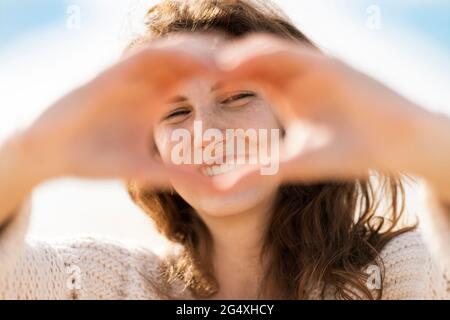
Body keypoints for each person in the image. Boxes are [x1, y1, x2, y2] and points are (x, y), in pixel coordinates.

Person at [0, 0, 448, 300]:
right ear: (153, 150)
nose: (205, 131)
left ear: (294, 118)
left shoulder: (399, 275)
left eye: (236, 98)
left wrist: (416, 137)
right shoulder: (109, 283)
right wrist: (29, 156)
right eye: (175, 113)